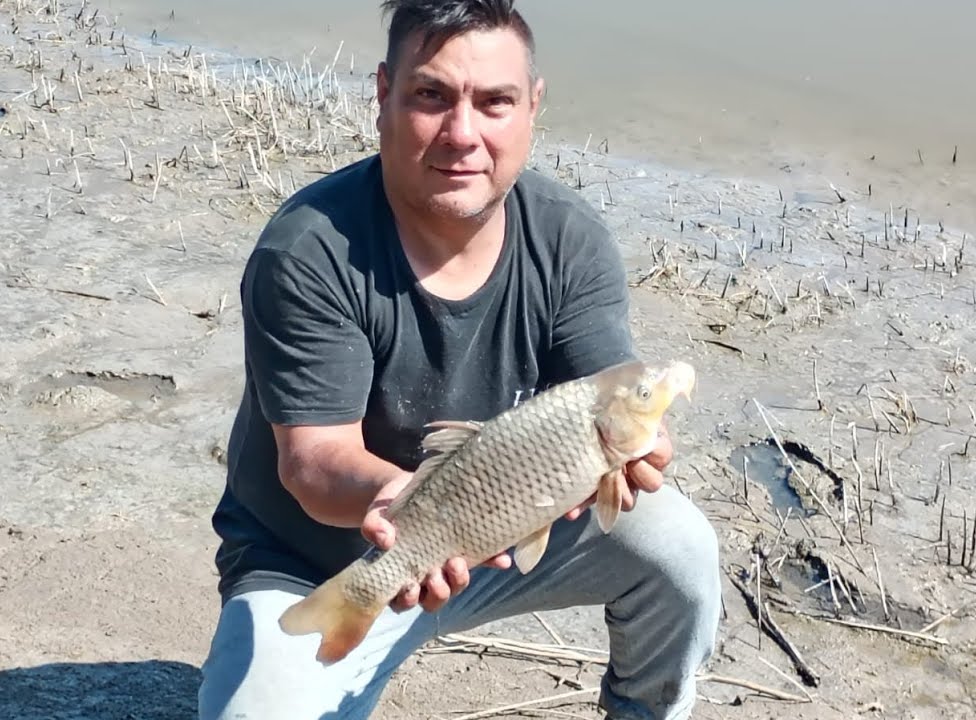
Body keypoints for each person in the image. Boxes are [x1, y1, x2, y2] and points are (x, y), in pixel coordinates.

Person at [196, 1, 722, 718]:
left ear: (533, 106)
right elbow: (312, 465)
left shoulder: (569, 240)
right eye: (431, 96)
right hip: (320, 562)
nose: (462, 133)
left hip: (498, 532)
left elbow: (609, 398)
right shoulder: (309, 250)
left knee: (678, 545)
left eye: (495, 102)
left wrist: (640, 456)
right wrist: (402, 506)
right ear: (384, 93)